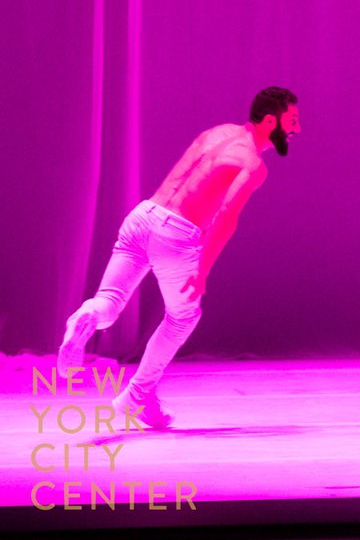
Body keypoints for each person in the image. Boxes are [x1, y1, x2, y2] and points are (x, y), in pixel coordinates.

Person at [56, 87, 301, 427]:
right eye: (292, 120)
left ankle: (85, 316)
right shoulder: (253, 163)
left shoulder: (215, 133)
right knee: (183, 318)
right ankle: (137, 396)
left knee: (109, 302)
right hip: (177, 234)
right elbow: (225, 216)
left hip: (144, 215)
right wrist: (201, 270)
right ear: (270, 120)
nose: (296, 129)